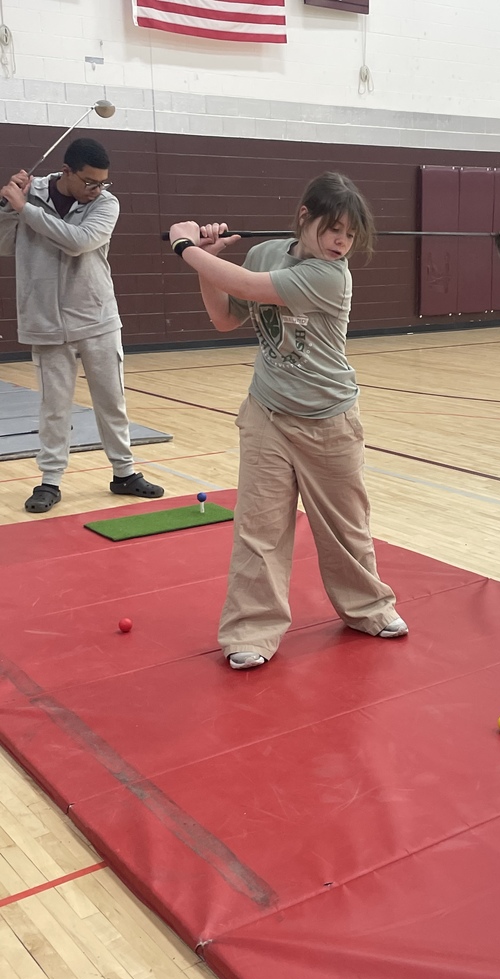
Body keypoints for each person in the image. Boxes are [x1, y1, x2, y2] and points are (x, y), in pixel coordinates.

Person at [168, 171, 408, 670]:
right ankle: (250, 631)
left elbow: (249, 286)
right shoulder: (264, 254)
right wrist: (207, 261)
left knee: (346, 527)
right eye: (332, 228)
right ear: (304, 217)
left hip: (329, 419)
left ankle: (367, 606)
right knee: (259, 528)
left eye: (350, 233)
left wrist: (185, 247)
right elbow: (226, 317)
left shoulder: (329, 275)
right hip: (267, 415)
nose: (341, 242)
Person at [0, 137, 164, 513]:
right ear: (66, 171)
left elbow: (78, 242)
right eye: (89, 182)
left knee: (112, 401)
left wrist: (25, 210)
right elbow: (4, 243)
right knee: (53, 408)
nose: (96, 189)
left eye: (103, 182)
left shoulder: (106, 204)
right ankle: (50, 481)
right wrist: (8, 206)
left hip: (97, 318)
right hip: (44, 321)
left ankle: (124, 473)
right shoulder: (31, 194)